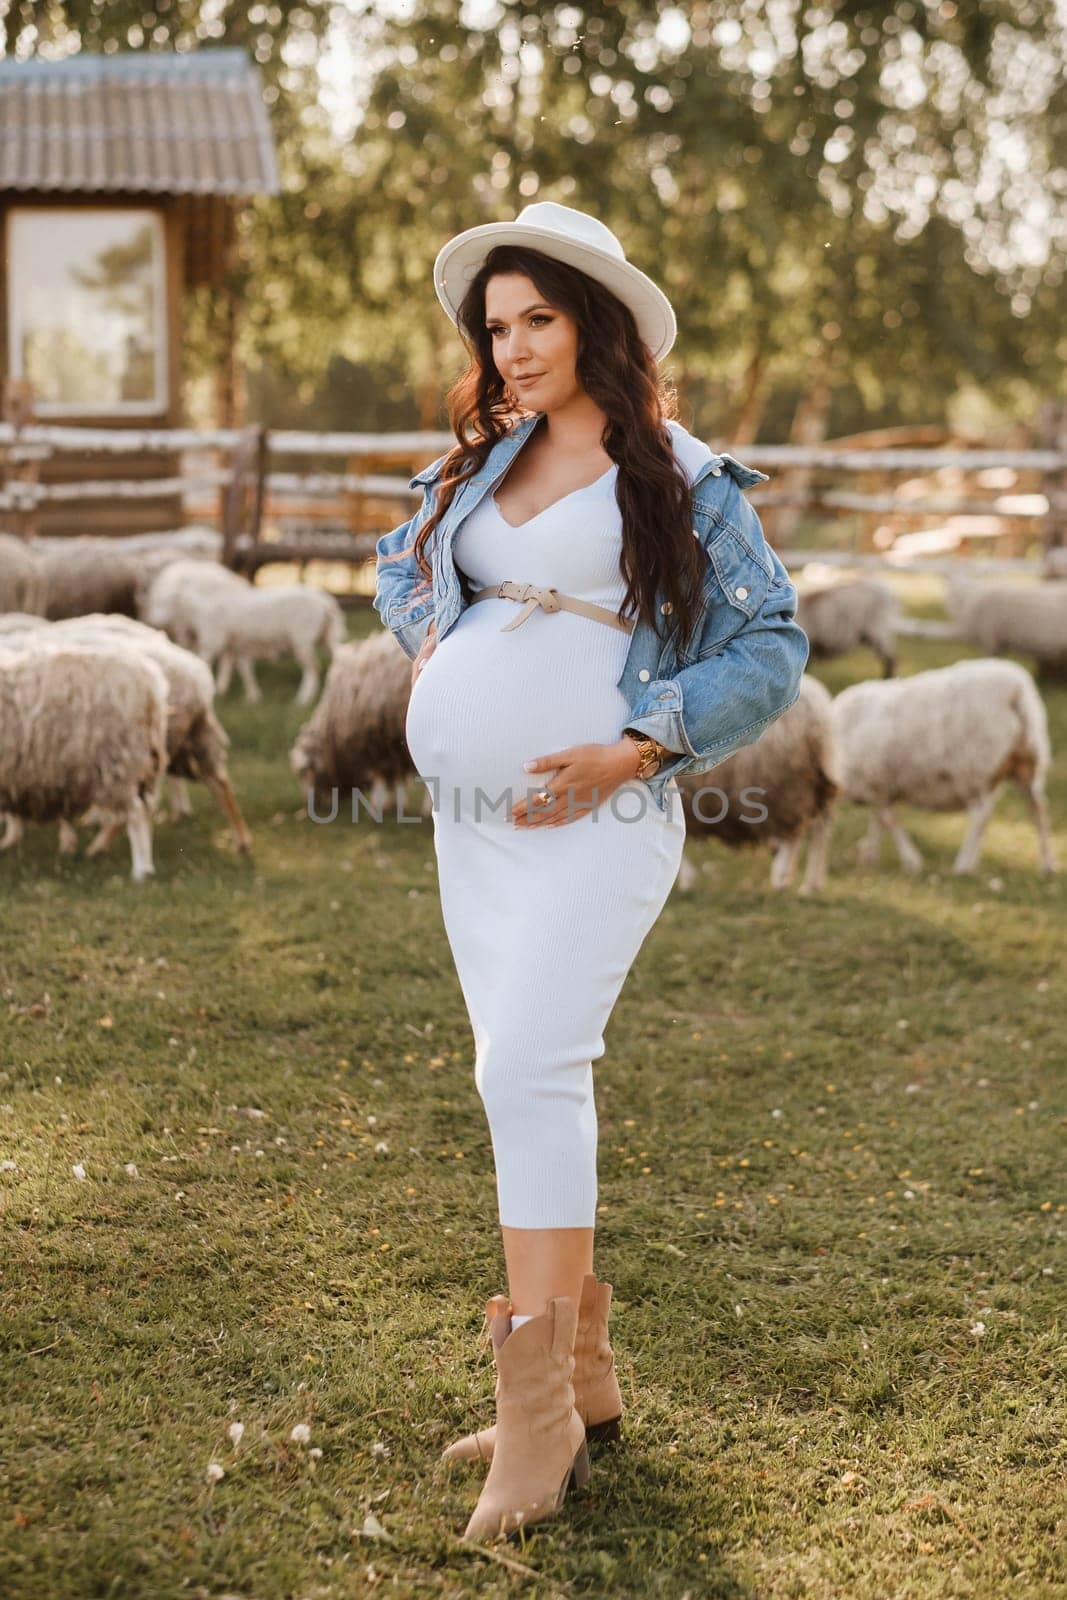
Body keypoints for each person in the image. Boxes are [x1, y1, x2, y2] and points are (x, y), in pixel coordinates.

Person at [374, 201, 809, 1542]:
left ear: (596, 323)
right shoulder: (484, 461)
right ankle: (576, 1379)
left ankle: (537, 1414)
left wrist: (637, 748)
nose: (510, 348)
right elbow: (401, 565)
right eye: (495, 327)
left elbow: (771, 645)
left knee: (528, 1069)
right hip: (477, 828)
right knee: (517, 1074)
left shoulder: (674, 473)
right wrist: (430, 649)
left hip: (597, 827)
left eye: (538, 320)